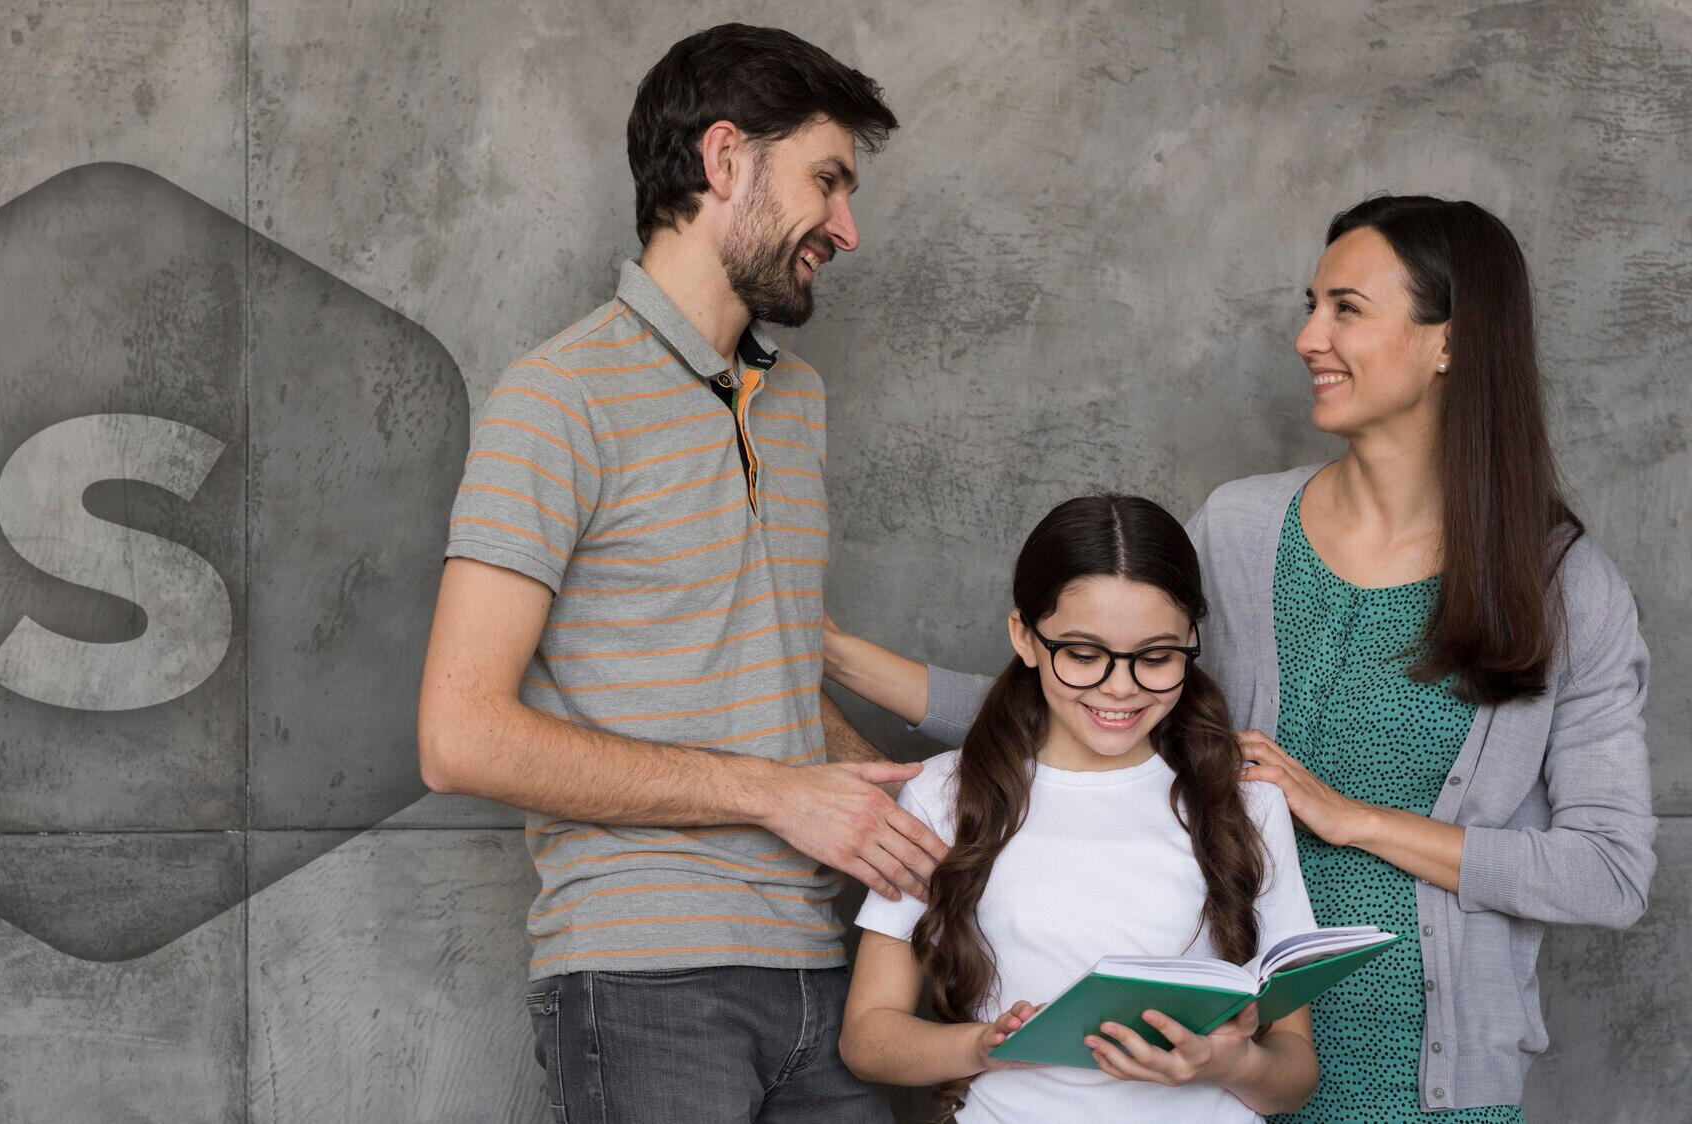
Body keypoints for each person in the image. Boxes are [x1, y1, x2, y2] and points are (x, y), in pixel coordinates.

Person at [824, 195, 1656, 1119]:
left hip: (1432, 1079)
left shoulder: (1564, 588)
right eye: (1312, 304)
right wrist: (830, 654)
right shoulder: (1245, 529)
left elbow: (1610, 871)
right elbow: (1102, 690)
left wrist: (1355, 821)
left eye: (1347, 308)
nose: (1307, 337)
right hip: (1213, 1072)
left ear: (1448, 342)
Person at [418, 24, 933, 1124]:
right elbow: (458, 734)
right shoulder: (555, 400)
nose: (845, 227)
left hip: (818, 967)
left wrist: (908, 815)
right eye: (826, 181)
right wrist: (773, 792)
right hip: (639, 980)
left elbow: (759, 678)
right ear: (724, 161)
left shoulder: (795, 404)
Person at [839, 494, 1322, 1122]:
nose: (1120, 688)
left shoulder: (1246, 797)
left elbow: (1295, 1075)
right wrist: (982, 1047)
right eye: (1084, 655)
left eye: (1155, 658)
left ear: (1192, 640)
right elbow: (868, 1039)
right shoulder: (943, 793)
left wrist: (1233, 1064)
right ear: (1025, 637)